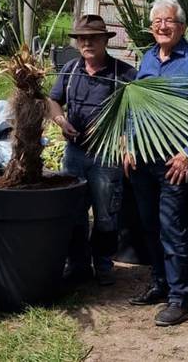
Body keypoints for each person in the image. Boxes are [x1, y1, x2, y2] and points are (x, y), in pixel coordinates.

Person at [125, 0, 188, 326]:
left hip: (173, 162)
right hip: (142, 159)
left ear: (181, 26)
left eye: (169, 21)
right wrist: (128, 142)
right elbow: (135, 104)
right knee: (149, 225)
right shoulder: (148, 58)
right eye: (157, 22)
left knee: (172, 228)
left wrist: (187, 153)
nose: (162, 27)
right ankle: (160, 284)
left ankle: (180, 297)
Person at [49, 14, 137, 286]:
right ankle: (77, 265)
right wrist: (60, 120)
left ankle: (103, 265)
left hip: (106, 156)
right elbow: (53, 101)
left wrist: (127, 144)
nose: (87, 43)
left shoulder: (123, 74)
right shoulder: (70, 70)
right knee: (73, 213)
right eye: (82, 38)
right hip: (74, 154)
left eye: (93, 38)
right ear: (77, 42)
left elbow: (136, 114)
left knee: (106, 214)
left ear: (104, 41)